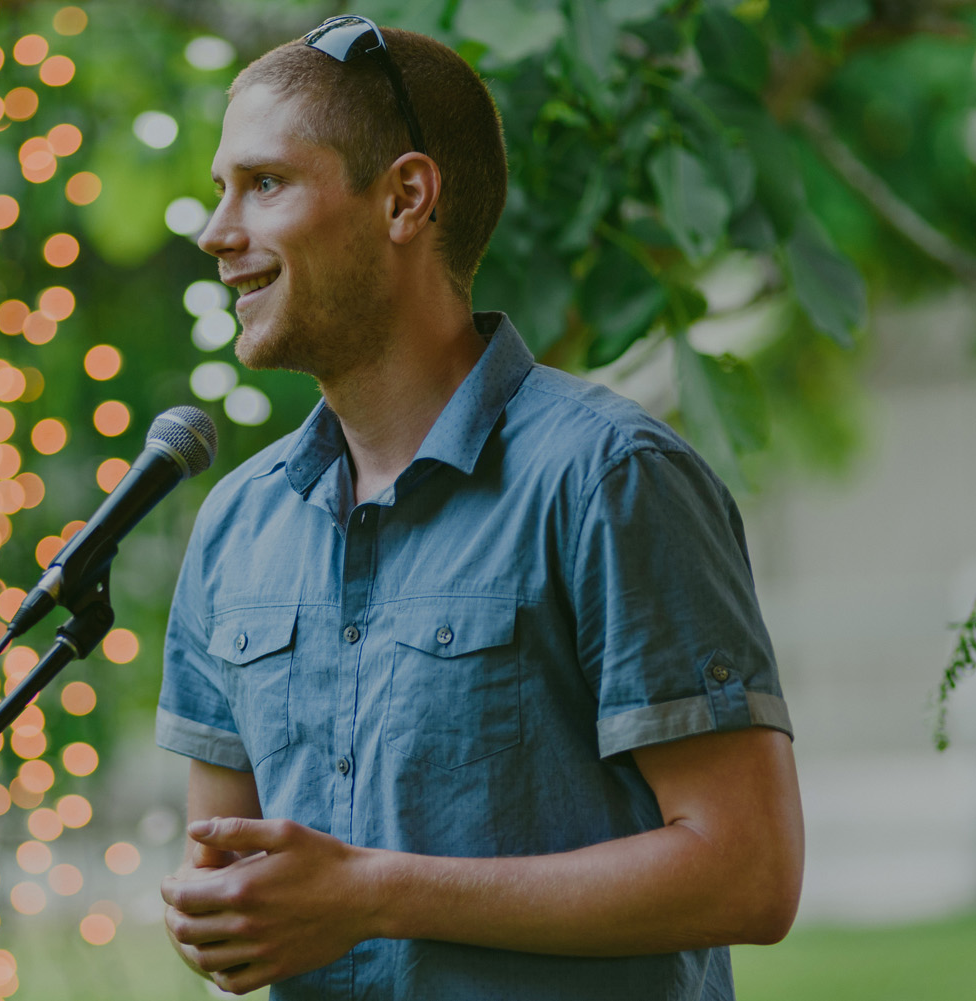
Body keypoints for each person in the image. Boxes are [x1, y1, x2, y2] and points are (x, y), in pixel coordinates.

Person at [154, 15, 803, 1001]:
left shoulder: (611, 480)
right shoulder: (236, 523)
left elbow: (748, 871)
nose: (216, 233)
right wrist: (225, 917)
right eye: (220, 192)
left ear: (406, 197)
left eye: (265, 183)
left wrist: (375, 892)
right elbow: (237, 891)